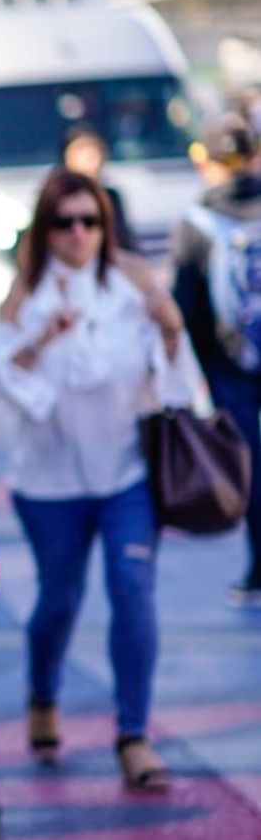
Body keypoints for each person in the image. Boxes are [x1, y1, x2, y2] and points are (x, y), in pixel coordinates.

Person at [0, 168, 194, 791]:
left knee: (131, 589)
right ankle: (42, 692)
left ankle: (134, 736)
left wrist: (174, 327)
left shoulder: (133, 285)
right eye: (64, 222)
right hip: (49, 484)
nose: (78, 234)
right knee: (59, 600)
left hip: (127, 471)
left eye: (90, 220)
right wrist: (39, 341)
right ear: (45, 230)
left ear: (105, 224)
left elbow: (180, 380)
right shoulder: (25, 297)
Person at [173, 114, 261, 607]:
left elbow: (188, 306)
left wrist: (199, 382)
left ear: (206, 162)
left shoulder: (198, 221)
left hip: (231, 366)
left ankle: (259, 567)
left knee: (253, 469)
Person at [62, 127, 137, 252]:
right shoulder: (57, 196)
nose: (87, 160)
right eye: (80, 152)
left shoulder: (111, 197)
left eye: (92, 153)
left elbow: (123, 240)